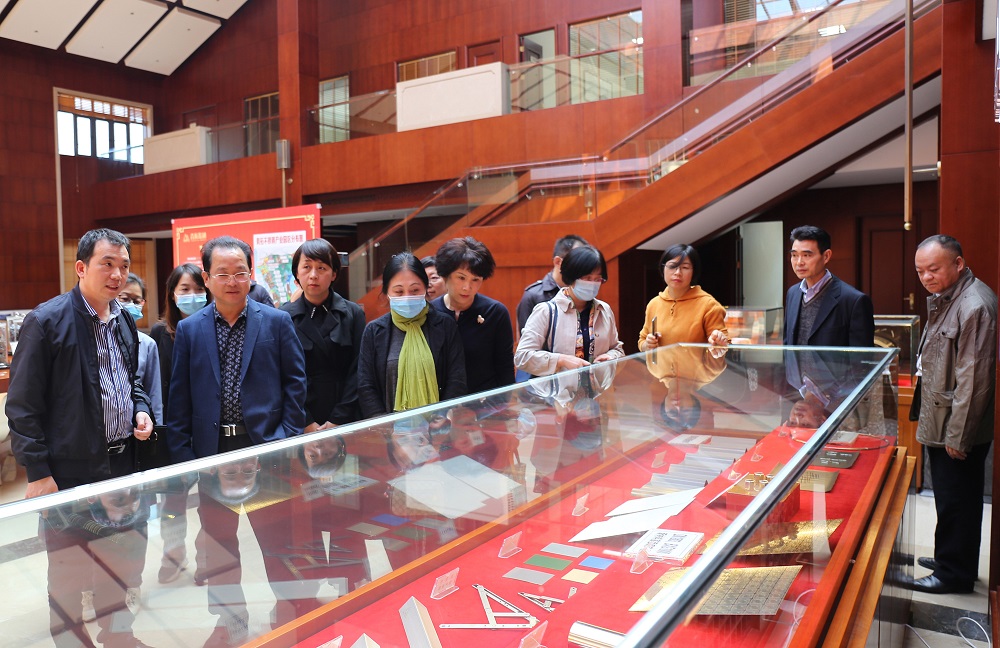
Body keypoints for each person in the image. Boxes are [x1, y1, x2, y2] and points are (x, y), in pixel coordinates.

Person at [6, 227, 155, 648]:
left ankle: (118, 637)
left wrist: (141, 409)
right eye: (107, 264)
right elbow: (22, 405)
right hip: (70, 470)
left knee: (119, 562)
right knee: (69, 570)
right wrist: (38, 471)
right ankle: (71, 643)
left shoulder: (123, 320)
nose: (117, 274)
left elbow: (132, 381)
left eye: (124, 266)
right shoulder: (46, 321)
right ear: (81, 267)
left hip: (122, 463)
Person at [908, 235, 997, 595]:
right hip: (942, 416)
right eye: (920, 271)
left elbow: (974, 379)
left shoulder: (974, 304)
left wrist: (958, 436)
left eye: (933, 269)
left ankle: (953, 574)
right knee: (951, 497)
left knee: (957, 500)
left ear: (958, 264)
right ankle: (953, 560)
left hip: (955, 424)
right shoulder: (950, 296)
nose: (926, 277)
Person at [166, 235, 307, 461]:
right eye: (222, 274)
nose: (232, 282)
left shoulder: (277, 322)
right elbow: (179, 398)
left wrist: (287, 436)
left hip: (266, 444)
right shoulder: (189, 329)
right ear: (206, 278)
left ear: (250, 275)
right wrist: (184, 454)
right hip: (209, 449)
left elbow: (295, 382)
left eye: (240, 273)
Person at [148, 263, 208, 584]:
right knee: (172, 500)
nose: (192, 295)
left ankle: (209, 557)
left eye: (199, 289)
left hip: (208, 427)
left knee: (212, 503)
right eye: (185, 289)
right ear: (172, 294)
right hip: (173, 429)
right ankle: (173, 553)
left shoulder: (213, 327)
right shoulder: (159, 333)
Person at [357, 252, 467, 418]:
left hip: (438, 427)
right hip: (389, 429)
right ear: (387, 292)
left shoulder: (445, 325)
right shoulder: (374, 331)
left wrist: (442, 416)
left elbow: (456, 379)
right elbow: (366, 385)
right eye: (399, 291)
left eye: (415, 290)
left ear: (425, 288)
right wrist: (383, 425)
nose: (407, 297)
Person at [281, 239, 365, 430]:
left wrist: (338, 418)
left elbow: (359, 369)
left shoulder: (353, 313)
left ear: (334, 273)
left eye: (321, 268)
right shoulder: (283, 317)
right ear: (296, 274)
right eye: (306, 267)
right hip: (301, 417)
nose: (313, 275)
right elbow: (282, 375)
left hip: (345, 417)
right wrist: (306, 421)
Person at [514, 245, 625, 376]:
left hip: (598, 387)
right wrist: (560, 360)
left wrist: (611, 357)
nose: (593, 284)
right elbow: (522, 357)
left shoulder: (604, 310)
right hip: (559, 388)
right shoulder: (546, 311)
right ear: (572, 277)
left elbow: (618, 349)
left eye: (598, 279)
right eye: (587, 278)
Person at [430, 237, 515, 394]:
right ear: (445, 275)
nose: (467, 287)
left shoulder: (495, 312)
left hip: (486, 403)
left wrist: (505, 402)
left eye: (475, 279)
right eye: (461, 277)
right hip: (439, 404)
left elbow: (505, 367)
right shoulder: (429, 313)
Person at [783, 225, 874, 346]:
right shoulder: (792, 293)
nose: (799, 262)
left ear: (826, 256)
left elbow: (861, 355)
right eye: (794, 255)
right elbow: (787, 344)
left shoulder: (853, 301)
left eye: (806, 255)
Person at [638, 244, 729, 353]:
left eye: (685, 267)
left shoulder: (708, 305)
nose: (677, 273)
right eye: (672, 266)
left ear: (693, 272)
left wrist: (718, 341)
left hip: (695, 365)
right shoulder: (654, 304)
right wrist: (647, 344)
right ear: (663, 269)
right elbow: (642, 340)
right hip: (660, 365)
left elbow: (724, 346)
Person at [516, 234, 589, 331]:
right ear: (558, 262)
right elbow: (527, 339)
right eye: (577, 262)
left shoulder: (585, 291)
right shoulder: (533, 296)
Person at [119, 273, 163, 424]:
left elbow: (154, 395)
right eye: (125, 299)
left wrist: (157, 427)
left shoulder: (148, 344)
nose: (131, 305)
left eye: (137, 301)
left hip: (140, 426)